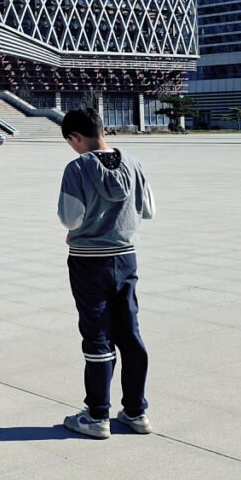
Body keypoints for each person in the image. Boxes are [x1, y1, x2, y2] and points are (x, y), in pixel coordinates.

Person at [58, 107, 154, 439]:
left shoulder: (77, 168)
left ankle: (97, 415)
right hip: (125, 258)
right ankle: (136, 411)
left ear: (75, 137)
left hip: (88, 260)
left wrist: (79, 229)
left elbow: (71, 218)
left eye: (70, 142)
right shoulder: (133, 162)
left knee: (97, 334)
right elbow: (149, 210)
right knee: (129, 331)